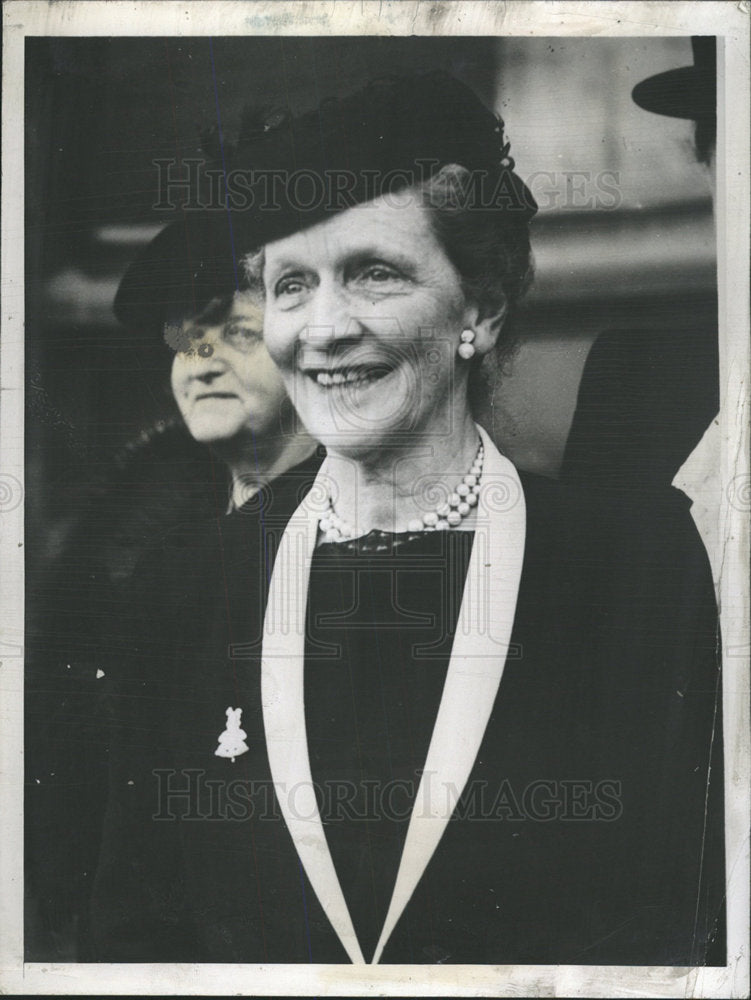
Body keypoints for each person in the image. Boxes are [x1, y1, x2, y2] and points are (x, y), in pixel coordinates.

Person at [90, 71, 724, 965]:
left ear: (481, 308)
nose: (325, 327)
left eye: (374, 274)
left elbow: (685, 916)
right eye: (291, 285)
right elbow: (133, 938)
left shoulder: (631, 563)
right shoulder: (185, 587)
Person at [25, 213, 321, 959]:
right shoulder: (131, 552)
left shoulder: (368, 535)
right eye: (184, 339)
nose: (200, 361)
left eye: (237, 334)